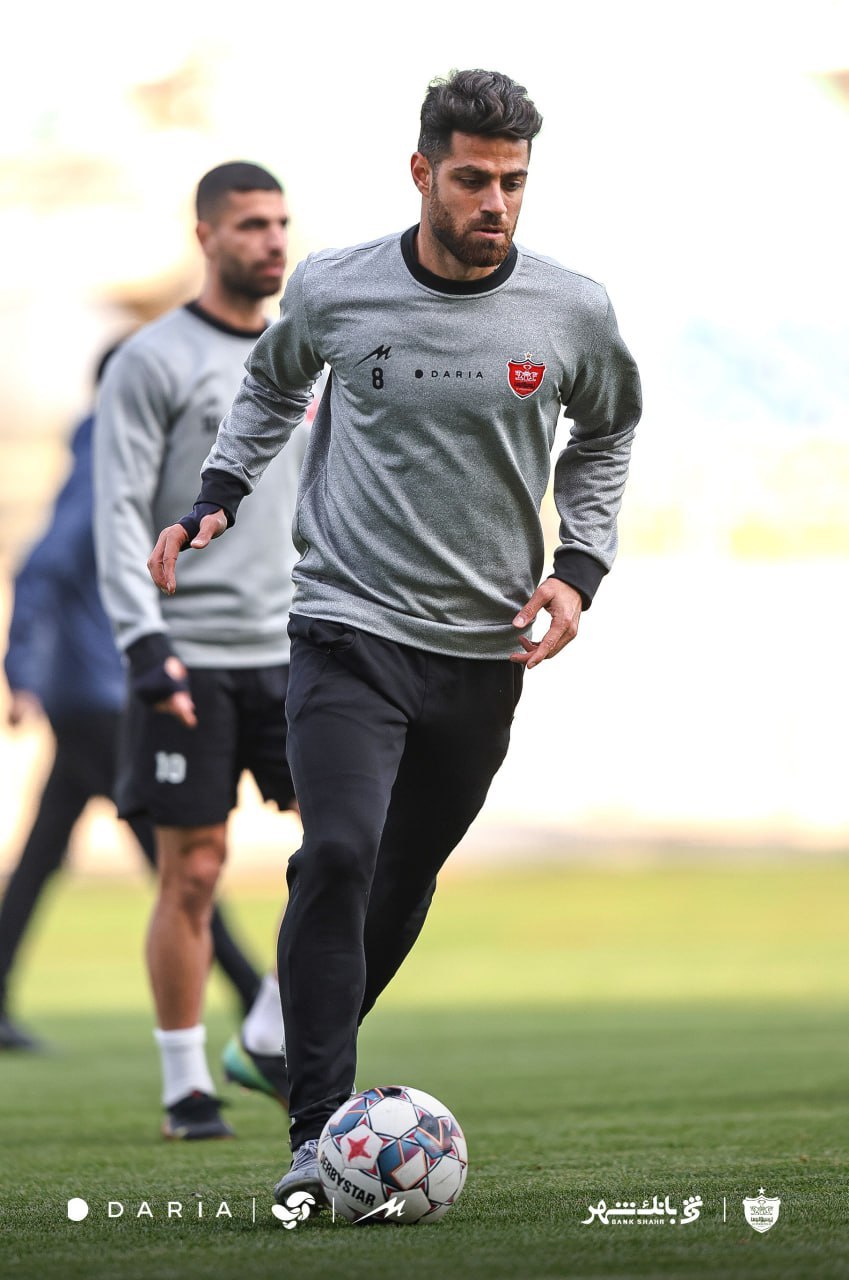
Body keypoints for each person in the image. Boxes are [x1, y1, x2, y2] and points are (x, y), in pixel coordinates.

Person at [148, 70, 642, 1193]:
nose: (493, 202)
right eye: (471, 179)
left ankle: (290, 1044)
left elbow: (608, 431)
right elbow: (271, 388)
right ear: (422, 172)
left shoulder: (572, 309)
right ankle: (317, 1129)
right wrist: (221, 491)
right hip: (345, 627)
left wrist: (579, 569)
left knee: (398, 882)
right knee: (335, 853)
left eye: (512, 182)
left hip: (482, 650)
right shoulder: (337, 287)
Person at [95, 163, 308, 1140]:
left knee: (354, 849)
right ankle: (187, 1087)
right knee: (193, 869)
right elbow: (118, 514)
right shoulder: (152, 360)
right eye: (251, 224)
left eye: (281, 223)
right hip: (188, 654)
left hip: (302, 647)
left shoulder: (306, 355)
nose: (272, 240)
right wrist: (145, 644)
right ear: (206, 236)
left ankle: (266, 1034)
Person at [0, 345, 263, 1053]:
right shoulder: (104, 457)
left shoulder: (122, 452)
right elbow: (42, 566)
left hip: (97, 688)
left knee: (49, 850)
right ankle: (257, 999)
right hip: (100, 692)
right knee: (180, 853)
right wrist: (21, 669)